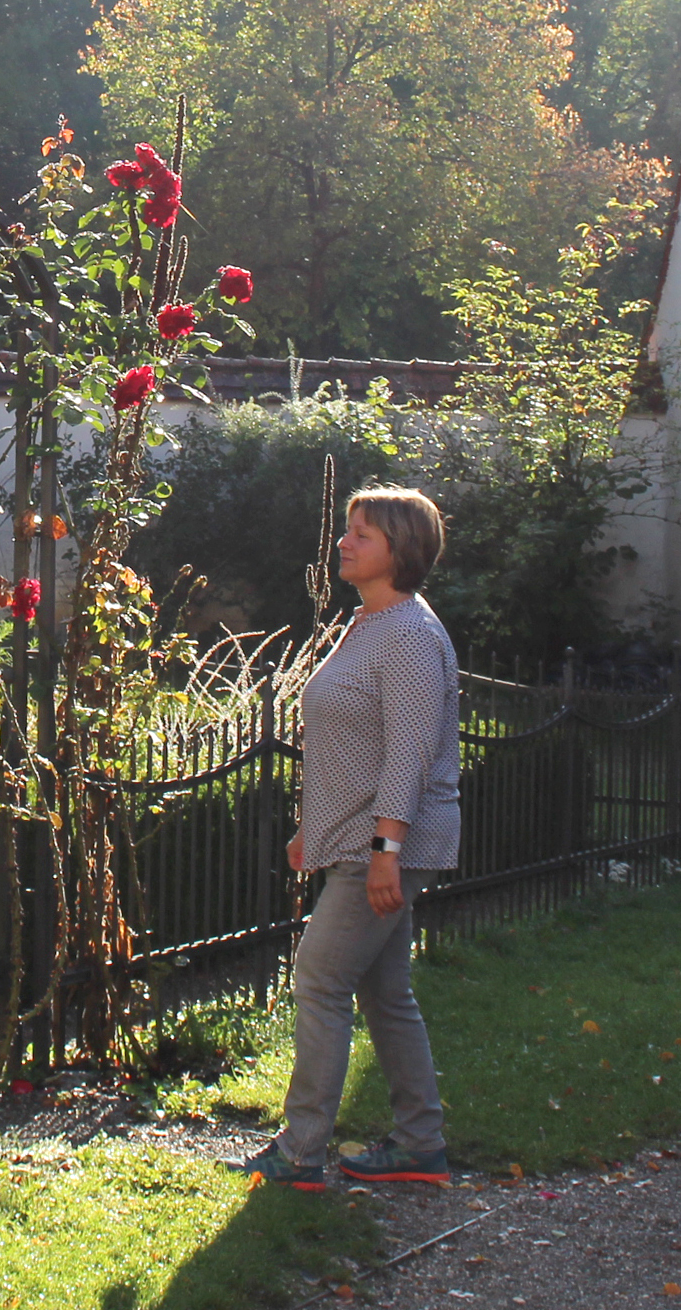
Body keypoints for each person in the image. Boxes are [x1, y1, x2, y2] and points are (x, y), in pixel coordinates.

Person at [234, 486, 460, 1192]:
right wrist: (316, 827)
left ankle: (300, 1154)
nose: (343, 542)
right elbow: (350, 741)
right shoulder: (367, 623)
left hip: (384, 845)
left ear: (399, 548)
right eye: (346, 531)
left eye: (360, 534)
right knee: (385, 994)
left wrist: (383, 852)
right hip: (355, 838)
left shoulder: (413, 637)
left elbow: (409, 753)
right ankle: (420, 1144)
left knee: (320, 982)